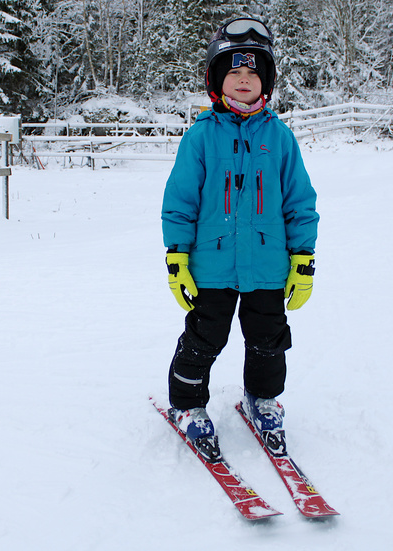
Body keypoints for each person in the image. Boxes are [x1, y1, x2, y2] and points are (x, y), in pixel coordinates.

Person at [161, 17, 319, 460]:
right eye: (234, 72)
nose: (244, 80)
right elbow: (179, 203)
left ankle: (263, 398)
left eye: (252, 73)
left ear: (265, 80)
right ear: (217, 79)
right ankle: (188, 405)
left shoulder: (280, 138)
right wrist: (177, 258)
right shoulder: (201, 137)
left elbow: (299, 203)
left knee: (269, 339)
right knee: (204, 338)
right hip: (211, 266)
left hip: (268, 266)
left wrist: (302, 260)